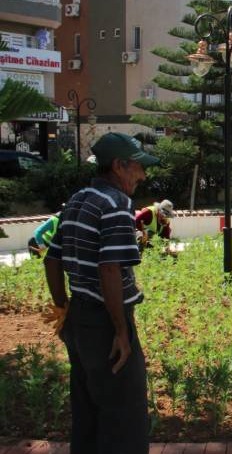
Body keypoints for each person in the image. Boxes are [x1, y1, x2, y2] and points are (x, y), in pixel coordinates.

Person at [43, 132, 160, 454]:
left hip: (80, 318)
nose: (142, 175)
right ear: (119, 166)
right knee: (124, 414)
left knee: (88, 407)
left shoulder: (78, 200)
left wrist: (63, 308)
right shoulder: (116, 206)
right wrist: (121, 331)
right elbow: (110, 269)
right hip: (107, 323)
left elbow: (51, 259)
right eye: (138, 167)